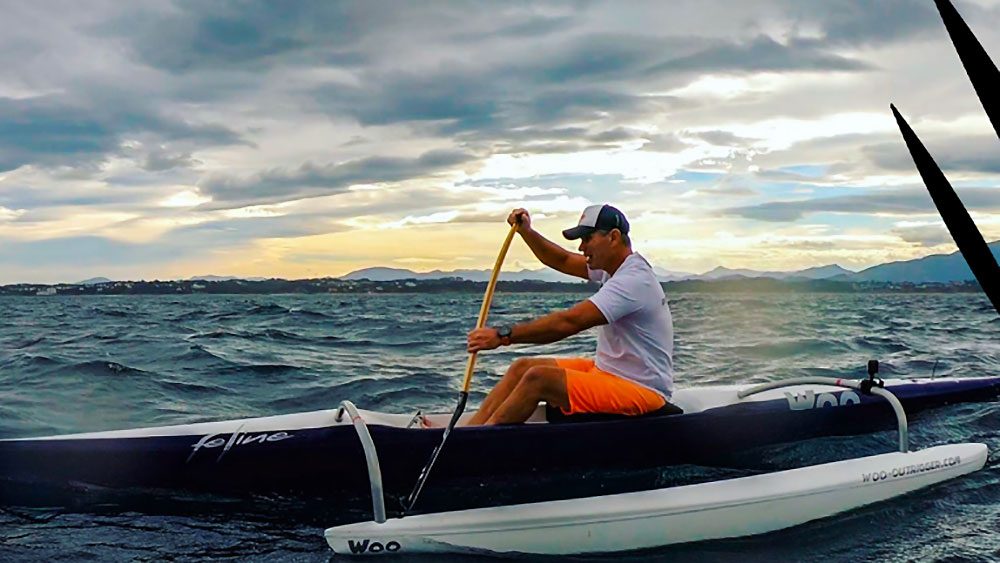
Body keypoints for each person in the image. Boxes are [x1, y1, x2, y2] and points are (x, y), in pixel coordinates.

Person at [465, 204, 675, 426]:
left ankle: (474, 446)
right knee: (522, 368)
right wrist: (526, 232)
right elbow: (562, 260)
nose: (582, 247)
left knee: (538, 380)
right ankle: (469, 432)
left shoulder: (633, 280)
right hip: (607, 372)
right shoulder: (613, 267)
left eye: (587, 238)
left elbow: (569, 322)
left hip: (643, 389)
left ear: (613, 237)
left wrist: (503, 336)